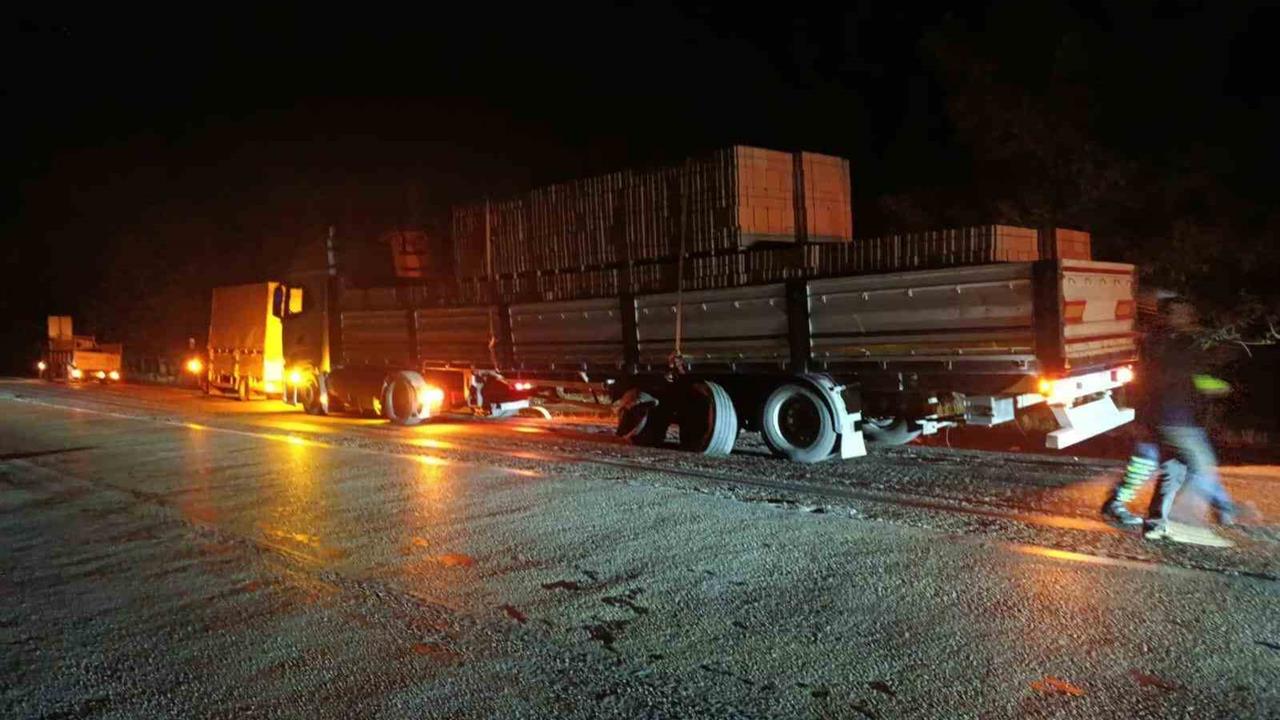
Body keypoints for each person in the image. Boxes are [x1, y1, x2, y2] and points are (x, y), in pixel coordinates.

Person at [1140, 298, 1238, 540]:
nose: (1189, 318)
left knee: (1173, 470)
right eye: (1182, 314)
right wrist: (1216, 386)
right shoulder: (1178, 344)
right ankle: (1193, 513)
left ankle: (1156, 524)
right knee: (1203, 467)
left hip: (1167, 417)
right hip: (1178, 419)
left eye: (1188, 313)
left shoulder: (1163, 342)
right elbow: (1190, 376)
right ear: (1171, 317)